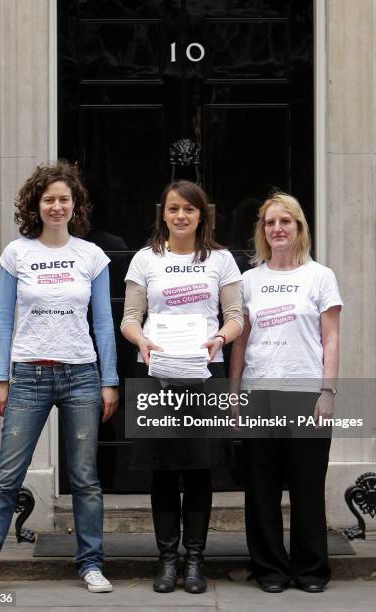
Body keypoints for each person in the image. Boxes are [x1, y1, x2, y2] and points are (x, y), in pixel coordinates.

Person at [0, 161, 119, 594]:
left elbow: (103, 322)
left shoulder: (91, 256)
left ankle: (91, 564)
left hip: (82, 374)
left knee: (85, 478)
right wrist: (0, 376)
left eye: (64, 199)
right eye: (49, 200)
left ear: (74, 204)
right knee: (7, 476)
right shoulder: (17, 253)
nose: (57, 206)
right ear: (36, 205)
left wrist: (109, 379)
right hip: (28, 375)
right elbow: (4, 318)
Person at [121, 180, 243, 594]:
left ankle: (195, 562)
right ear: (163, 214)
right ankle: (167, 561)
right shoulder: (144, 260)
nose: (180, 216)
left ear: (201, 216)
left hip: (205, 373)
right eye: (173, 209)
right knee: (162, 471)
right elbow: (130, 317)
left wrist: (220, 339)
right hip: (154, 372)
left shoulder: (222, 260)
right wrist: (141, 341)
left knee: (197, 470)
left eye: (189, 210)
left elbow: (235, 316)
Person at [230, 192, 343, 593]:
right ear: (262, 231)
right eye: (270, 222)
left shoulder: (320, 277)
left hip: (305, 394)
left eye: (286, 222)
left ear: (299, 228)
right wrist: (234, 395)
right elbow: (240, 344)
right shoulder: (248, 281)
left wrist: (327, 392)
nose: (278, 228)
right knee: (261, 490)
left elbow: (330, 341)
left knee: (308, 488)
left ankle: (312, 570)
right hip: (260, 394)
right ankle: (271, 569)